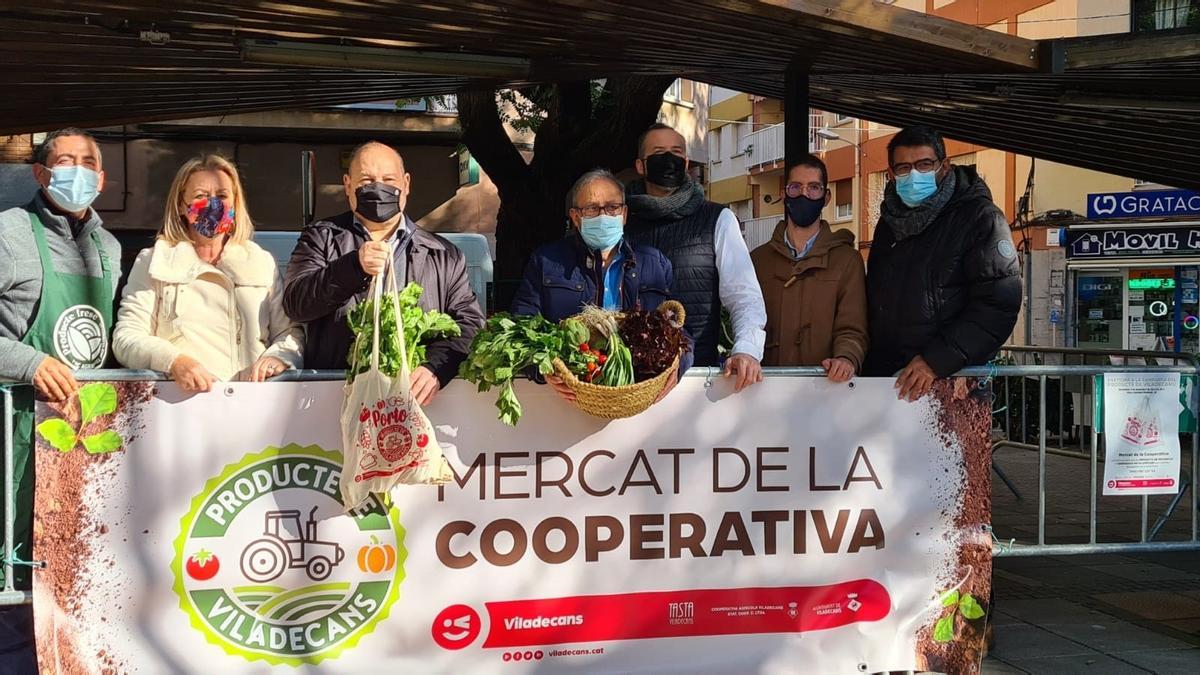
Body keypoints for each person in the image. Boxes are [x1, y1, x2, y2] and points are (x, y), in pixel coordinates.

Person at [0, 128, 120, 663]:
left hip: (86, 435)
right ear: (41, 173)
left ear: (101, 178)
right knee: (16, 569)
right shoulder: (7, 233)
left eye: (87, 162)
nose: (77, 170)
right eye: (63, 161)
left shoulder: (109, 246)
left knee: (79, 565)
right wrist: (30, 361)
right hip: (18, 433)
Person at [283, 141, 484, 404]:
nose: (378, 188)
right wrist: (352, 268)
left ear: (406, 183)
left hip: (417, 402)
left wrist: (436, 367)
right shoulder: (320, 238)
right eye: (367, 180)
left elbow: (469, 324)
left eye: (388, 179)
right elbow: (296, 303)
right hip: (335, 400)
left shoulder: (443, 254)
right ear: (347, 184)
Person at [113, 155, 303, 390]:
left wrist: (278, 358)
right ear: (182, 206)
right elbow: (127, 338)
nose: (213, 205)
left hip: (252, 402)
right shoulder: (154, 261)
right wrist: (174, 361)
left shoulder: (261, 262)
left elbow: (289, 333)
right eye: (201, 196)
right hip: (180, 401)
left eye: (222, 196)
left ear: (235, 204)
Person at [864, 126, 1021, 400]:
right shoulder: (888, 223)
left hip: (952, 382)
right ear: (890, 175)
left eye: (924, 165)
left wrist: (936, 360)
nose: (914, 175)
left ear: (944, 166)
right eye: (903, 168)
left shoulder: (980, 218)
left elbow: (998, 304)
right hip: (889, 381)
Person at [512, 169, 692, 402]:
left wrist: (680, 365)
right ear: (576, 217)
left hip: (638, 394)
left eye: (612, 207)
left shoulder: (654, 262)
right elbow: (522, 323)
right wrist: (542, 369)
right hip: (567, 397)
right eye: (592, 208)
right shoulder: (546, 262)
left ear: (624, 214)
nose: (603, 215)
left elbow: (681, 330)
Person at [624, 123, 766, 392]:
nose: (668, 159)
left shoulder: (717, 219)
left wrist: (747, 349)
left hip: (698, 380)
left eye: (676, 152)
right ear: (641, 166)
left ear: (686, 162)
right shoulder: (620, 221)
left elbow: (744, 295)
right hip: (627, 380)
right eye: (658, 152)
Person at [750, 155, 867, 382]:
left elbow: (853, 328)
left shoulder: (847, 261)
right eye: (796, 187)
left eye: (814, 188)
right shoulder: (758, 260)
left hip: (824, 388)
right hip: (765, 389)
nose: (804, 194)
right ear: (784, 194)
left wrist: (846, 358)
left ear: (827, 197)